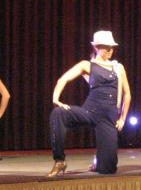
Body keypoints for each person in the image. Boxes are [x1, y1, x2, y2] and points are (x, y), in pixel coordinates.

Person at [48, 31, 132, 176]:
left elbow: (127, 94)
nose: (110, 50)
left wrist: (123, 118)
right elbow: (63, 79)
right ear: (96, 47)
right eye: (106, 47)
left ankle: (98, 161)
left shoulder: (118, 67)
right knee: (58, 113)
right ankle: (59, 161)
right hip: (89, 111)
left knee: (108, 169)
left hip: (108, 118)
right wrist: (56, 99)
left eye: (111, 47)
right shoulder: (87, 65)